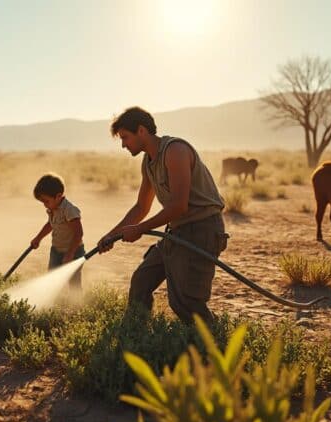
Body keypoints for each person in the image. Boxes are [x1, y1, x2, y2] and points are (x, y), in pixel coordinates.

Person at [98, 107, 228, 323]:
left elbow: (178, 206)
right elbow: (141, 207)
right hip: (176, 231)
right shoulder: (148, 161)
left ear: (141, 131)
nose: (123, 145)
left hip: (202, 230)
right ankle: (135, 337)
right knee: (141, 281)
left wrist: (139, 229)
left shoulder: (175, 151)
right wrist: (112, 235)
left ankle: (215, 346)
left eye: (125, 138)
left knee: (184, 302)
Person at [30, 173, 85, 290]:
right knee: (52, 277)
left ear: (58, 196)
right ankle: (53, 304)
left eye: (46, 201)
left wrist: (70, 253)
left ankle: (77, 305)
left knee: (73, 281)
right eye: (43, 202)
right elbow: (50, 224)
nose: (45, 205)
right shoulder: (52, 209)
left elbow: (78, 233)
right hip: (56, 250)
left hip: (74, 252)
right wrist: (38, 238)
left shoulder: (69, 210)